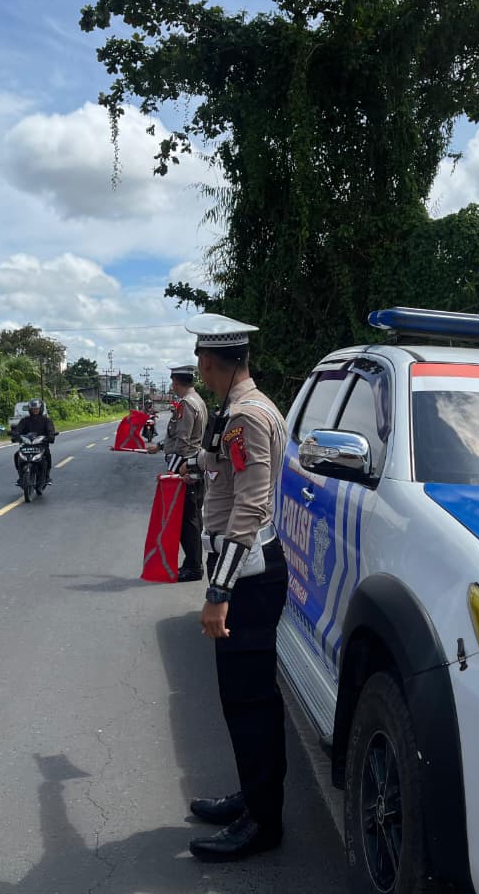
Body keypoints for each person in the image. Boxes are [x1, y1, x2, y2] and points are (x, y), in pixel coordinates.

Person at [183, 313, 289, 863]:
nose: (200, 370)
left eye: (201, 362)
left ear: (210, 363)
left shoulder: (245, 415)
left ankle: (263, 823)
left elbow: (252, 503)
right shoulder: (241, 409)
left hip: (246, 575)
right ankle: (253, 798)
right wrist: (198, 462)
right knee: (245, 700)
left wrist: (218, 593)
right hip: (245, 568)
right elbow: (227, 469)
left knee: (248, 703)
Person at [146, 364, 207, 582]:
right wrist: (161, 446)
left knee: (186, 520)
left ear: (176, 382)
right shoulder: (197, 400)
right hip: (192, 464)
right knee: (191, 519)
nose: (172, 385)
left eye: (172, 381)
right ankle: (193, 564)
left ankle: (193, 567)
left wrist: (177, 469)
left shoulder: (186, 404)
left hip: (185, 467)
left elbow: (183, 441)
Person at [11, 399, 56, 488]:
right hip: (27, 445)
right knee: (17, 455)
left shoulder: (46, 420)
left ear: (40, 409)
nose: (35, 410)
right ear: (30, 410)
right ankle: (21, 477)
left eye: (37, 409)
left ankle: (47, 477)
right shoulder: (25, 420)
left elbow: (50, 431)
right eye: (33, 409)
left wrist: (50, 436)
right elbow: (18, 429)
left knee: (47, 455)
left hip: (41, 444)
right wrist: (15, 435)